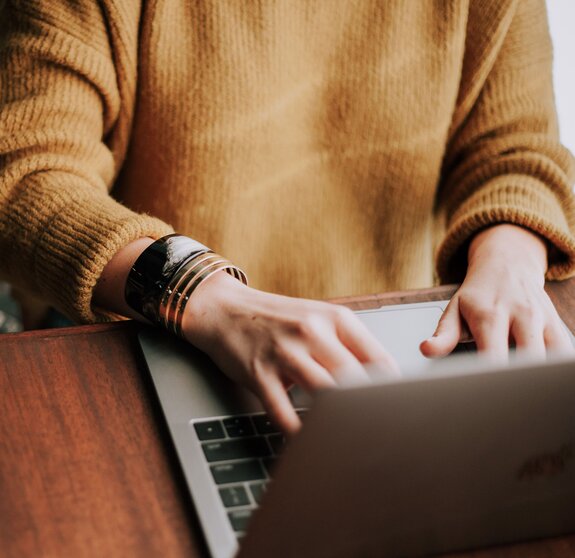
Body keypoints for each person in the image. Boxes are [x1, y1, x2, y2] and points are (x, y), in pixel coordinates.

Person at [1, 0, 574, 433]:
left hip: (405, 349)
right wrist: (205, 296)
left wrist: (511, 258)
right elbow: (26, 175)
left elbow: (516, 147)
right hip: (159, 343)